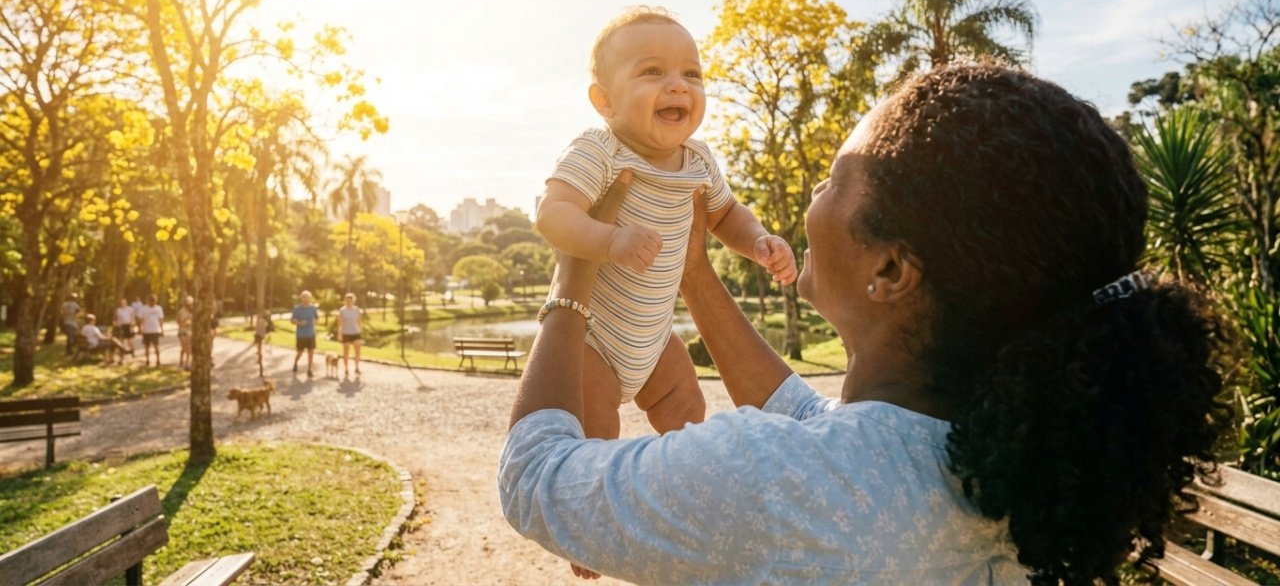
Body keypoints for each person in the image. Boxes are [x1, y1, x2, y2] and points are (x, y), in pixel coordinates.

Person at [500, 63, 1229, 584]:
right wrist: (695, 277)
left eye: (834, 181)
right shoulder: (998, 459)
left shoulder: (774, 482)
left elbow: (535, 478)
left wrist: (573, 282)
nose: (815, 200)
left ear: (889, 273)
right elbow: (818, 422)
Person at [535, 6, 797, 442]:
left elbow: (726, 213)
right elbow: (553, 213)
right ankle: (604, 498)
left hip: (655, 338)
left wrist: (757, 241)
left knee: (688, 408)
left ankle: (686, 482)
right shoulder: (599, 151)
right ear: (605, 101)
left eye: (692, 74)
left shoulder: (699, 160)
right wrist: (610, 239)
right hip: (592, 337)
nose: (678, 84)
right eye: (653, 72)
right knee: (595, 433)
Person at [291, 290, 319, 377]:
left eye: (307, 297)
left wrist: (315, 321)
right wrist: (299, 323)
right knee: (300, 352)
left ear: (310, 298)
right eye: (304, 297)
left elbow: (317, 318)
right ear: (301, 298)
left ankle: (309, 370)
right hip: (301, 334)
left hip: (311, 334)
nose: (306, 299)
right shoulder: (297, 309)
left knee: (311, 353)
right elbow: (292, 320)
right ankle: (296, 362)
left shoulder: (313, 308)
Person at [336, 292, 364, 378]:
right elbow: (340, 324)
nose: (349, 302)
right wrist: (339, 334)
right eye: (347, 300)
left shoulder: (357, 310)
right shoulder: (342, 310)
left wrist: (360, 332)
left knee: (357, 350)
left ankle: (357, 367)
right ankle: (346, 368)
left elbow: (359, 322)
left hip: (356, 333)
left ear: (353, 301)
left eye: (350, 300)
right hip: (346, 333)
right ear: (345, 301)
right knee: (346, 351)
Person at [136, 294, 165, 367]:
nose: (152, 303)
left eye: (153, 301)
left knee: (156, 346)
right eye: (151, 301)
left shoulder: (158, 308)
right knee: (147, 347)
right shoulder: (144, 309)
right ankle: (147, 360)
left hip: (155, 330)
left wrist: (162, 329)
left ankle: (158, 361)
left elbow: (160, 319)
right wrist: (140, 329)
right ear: (148, 301)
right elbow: (141, 320)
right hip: (146, 330)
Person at [177, 296, 193, 371]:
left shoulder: (192, 312)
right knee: (184, 348)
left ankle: (187, 364)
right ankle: (181, 361)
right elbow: (178, 322)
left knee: (189, 348)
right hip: (182, 331)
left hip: (190, 331)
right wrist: (184, 322)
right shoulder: (181, 311)